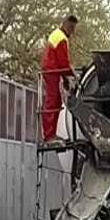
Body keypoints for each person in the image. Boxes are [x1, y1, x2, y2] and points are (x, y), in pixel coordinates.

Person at [39, 16, 79, 144]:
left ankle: (51, 134)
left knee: (55, 101)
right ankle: (49, 136)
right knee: (52, 101)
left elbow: (61, 63)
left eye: (73, 28)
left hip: (52, 70)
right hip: (52, 71)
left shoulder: (57, 35)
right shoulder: (61, 38)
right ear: (65, 24)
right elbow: (63, 63)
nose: (72, 31)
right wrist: (73, 74)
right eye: (71, 27)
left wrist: (65, 77)